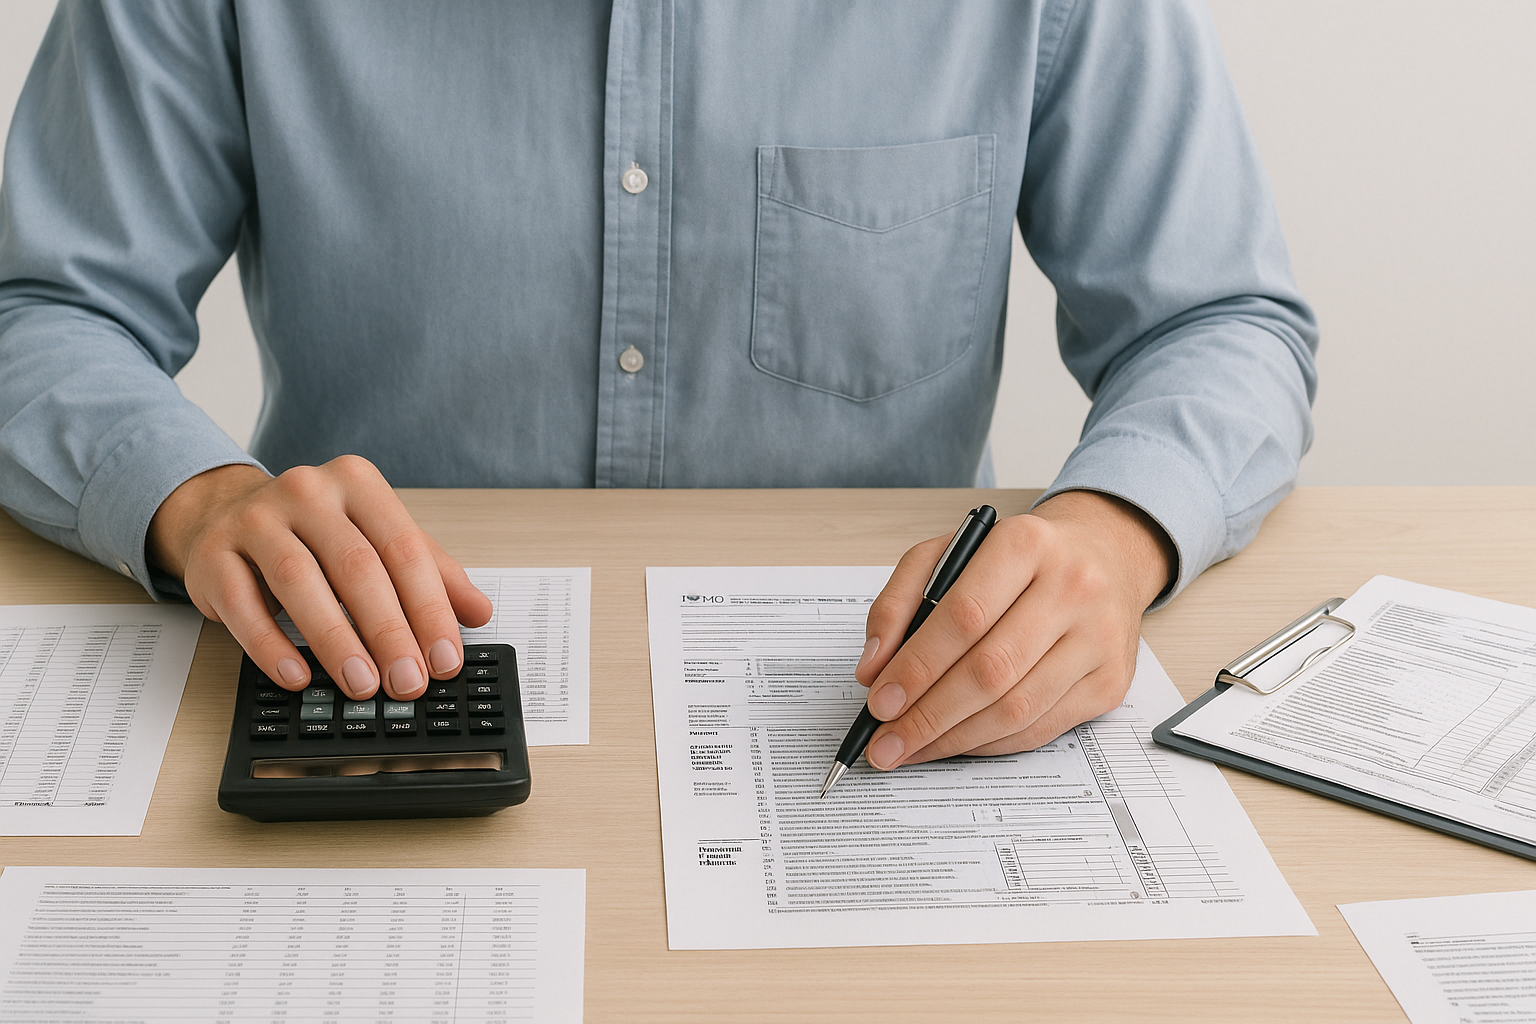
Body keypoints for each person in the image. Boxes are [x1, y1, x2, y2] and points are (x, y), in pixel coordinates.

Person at [0, 1, 1316, 775]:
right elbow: (44, 310)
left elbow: (1217, 319)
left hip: (880, 726)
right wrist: (196, 497)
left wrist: (1118, 533)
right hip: (370, 702)